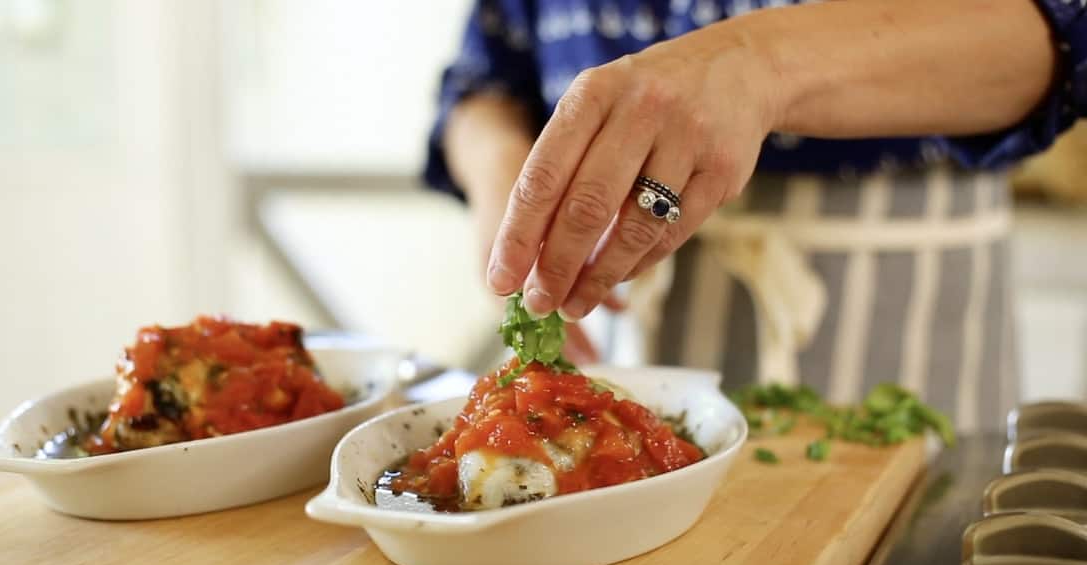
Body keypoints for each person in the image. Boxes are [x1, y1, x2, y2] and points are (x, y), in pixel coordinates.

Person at [424, 0, 1086, 432]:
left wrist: (761, 64)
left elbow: (1069, 26)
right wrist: (504, 175)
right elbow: (485, 80)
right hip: (631, 326)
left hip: (899, 313)